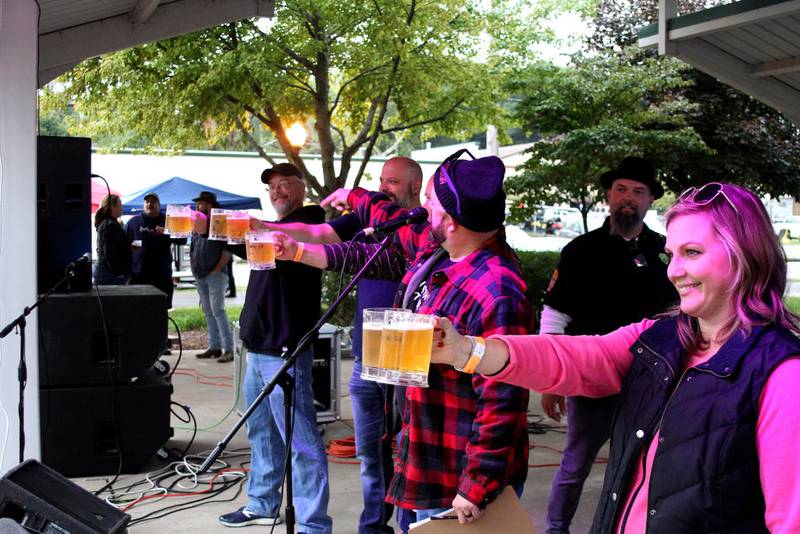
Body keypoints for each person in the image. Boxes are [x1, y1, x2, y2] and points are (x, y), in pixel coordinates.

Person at [431, 182, 800, 533]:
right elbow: (575, 356)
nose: (674, 271)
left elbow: (790, 521)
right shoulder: (659, 338)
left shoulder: (783, 373)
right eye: (671, 254)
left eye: (693, 252)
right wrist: (467, 350)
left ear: (745, 254)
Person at [274, 150, 532, 526]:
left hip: (458, 477)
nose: (425, 208)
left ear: (453, 221)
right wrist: (300, 251)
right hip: (426, 456)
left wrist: (476, 485)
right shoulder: (438, 250)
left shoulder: (498, 290)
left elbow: (503, 402)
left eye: (431, 201)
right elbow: (376, 253)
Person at [251, 157, 423, 534]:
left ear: (414, 186)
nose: (384, 187)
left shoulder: (421, 229)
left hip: (408, 350)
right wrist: (268, 230)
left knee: (413, 453)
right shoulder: (368, 221)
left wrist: (353, 195)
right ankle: (373, 527)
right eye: (381, 180)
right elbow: (321, 236)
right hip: (367, 353)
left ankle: (414, 527)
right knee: (370, 454)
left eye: (392, 181)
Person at [539, 156, 677, 534]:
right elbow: (555, 314)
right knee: (575, 463)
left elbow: (684, 316)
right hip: (591, 378)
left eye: (638, 191)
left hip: (650, 382)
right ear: (608, 196)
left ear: (651, 200)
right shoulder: (581, 251)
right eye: (620, 190)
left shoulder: (667, 254)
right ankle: (556, 529)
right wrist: (552, 379)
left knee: (643, 467)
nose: (628, 198)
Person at [219, 164, 332, 533]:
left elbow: (290, 236)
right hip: (257, 348)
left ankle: (313, 524)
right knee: (261, 432)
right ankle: (263, 503)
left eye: (285, 184)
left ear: (301, 188)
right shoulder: (269, 233)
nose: (277, 191)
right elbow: (245, 246)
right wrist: (215, 229)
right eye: (272, 187)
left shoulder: (310, 224)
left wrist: (250, 226)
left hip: (285, 350)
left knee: (301, 441)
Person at [190, 191, 234, 362]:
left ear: (208, 205)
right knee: (208, 311)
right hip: (201, 274)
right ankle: (214, 346)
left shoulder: (219, 223)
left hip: (215, 274)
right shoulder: (198, 223)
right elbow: (194, 245)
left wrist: (217, 268)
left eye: (199, 203)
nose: (196, 206)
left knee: (218, 311)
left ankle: (228, 349)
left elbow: (227, 250)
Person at [124, 192, 174, 308]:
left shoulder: (168, 221)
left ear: (159, 205)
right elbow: (124, 245)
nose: (150, 204)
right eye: (147, 202)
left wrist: (167, 232)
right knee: (137, 310)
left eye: (153, 202)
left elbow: (181, 240)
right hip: (138, 276)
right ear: (143, 205)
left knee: (161, 311)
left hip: (162, 276)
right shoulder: (133, 222)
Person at [94, 194, 133, 285]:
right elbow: (109, 252)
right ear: (112, 206)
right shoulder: (110, 225)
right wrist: (119, 272)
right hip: (110, 276)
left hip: (107, 273)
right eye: (120, 204)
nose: (122, 206)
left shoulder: (108, 223)